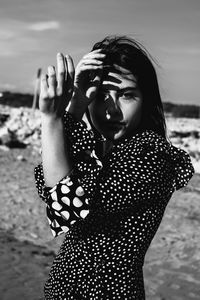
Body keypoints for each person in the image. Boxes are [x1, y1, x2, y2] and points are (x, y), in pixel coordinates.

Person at [34, 36, 194, 299]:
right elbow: (47, 184)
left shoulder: (154, 158)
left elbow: (65, 207)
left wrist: (52, 120)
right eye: (100, 96)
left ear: (147, 99)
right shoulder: (97, 147)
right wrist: (74, 107)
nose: (111, 111)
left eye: (127, 95)